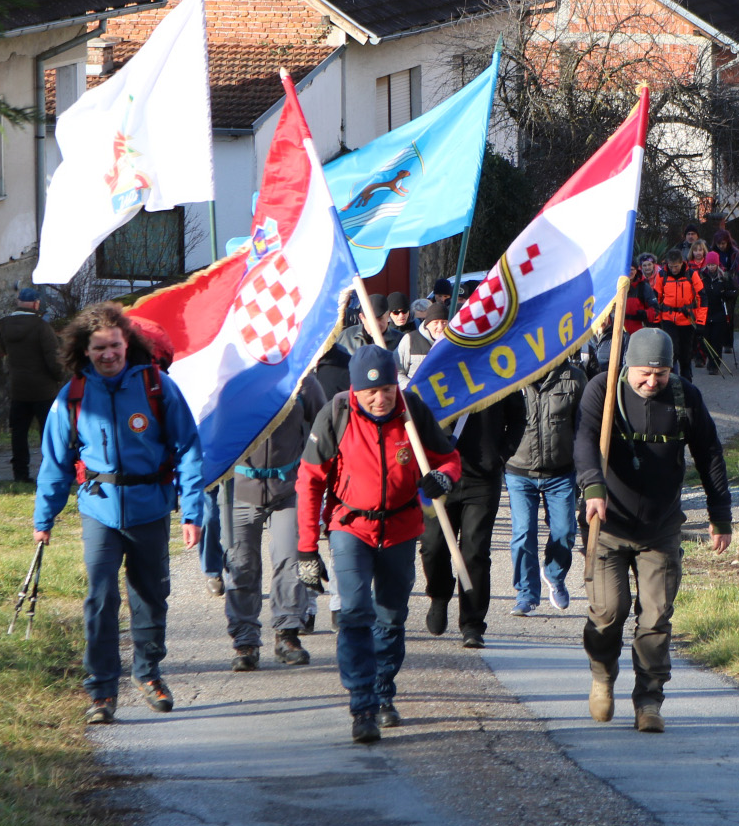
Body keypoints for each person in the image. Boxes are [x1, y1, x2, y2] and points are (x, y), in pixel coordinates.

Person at [33, 302, 206, 725]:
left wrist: (192, 512)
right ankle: (101, 692)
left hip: (150, 507)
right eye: (98, 348)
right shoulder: (72, 396)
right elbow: (55, 462)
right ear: (84, 351)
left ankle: (148, 674)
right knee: (100, 598)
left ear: (127, 344)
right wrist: (44, 519)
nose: (108, 354)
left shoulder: (157, 386)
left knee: (150, 596)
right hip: (98, 509)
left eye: (114, 345)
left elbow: (188, 449)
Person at [296, 345, 460, 743]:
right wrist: (306, 549)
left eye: (387, 388)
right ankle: (363, 704)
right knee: (354, 613)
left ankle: (384, 692)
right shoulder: (336, 414)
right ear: (355, 391)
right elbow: (309, 480)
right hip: (349, 527)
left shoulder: (412, 411)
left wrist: (444, 479)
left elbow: (450, 457)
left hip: (401, 529)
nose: (380, 398)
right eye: (370, 392)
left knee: (391, 618)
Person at [576, 329, 731, 733]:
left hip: (661, 528)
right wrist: (593, 486)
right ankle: (602, 674)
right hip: (607, 524)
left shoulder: (685, 397)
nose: (652, 382)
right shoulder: (602, 390)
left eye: (660, 374)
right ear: (628, 366)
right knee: (609, 613)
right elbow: (585, 440)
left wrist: (720, 513)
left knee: (656, 617)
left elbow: (709, 452)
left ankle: (648, 700)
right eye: (645, 373)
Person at [225, 374, 326, 671]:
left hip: (289, 487)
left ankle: (288, 634)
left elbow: (325, 421)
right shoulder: (233, 379)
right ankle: (245, 641)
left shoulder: (301, 376)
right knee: (241, 564)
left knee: (290, 559)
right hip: (240, 487)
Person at [420, 390, 525, 647]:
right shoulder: (442, 365)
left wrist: (500, 456)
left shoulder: (499, 370)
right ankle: (440, 594)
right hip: (439, 473)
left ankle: (472, 623)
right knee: (432, 546)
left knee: (474, 551)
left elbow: (518, 418)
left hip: (482, 478)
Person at [505, 360, 586, 616]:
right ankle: (526, 593)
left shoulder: (574, 378)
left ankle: (554, 575)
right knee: (522, 534)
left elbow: (584, 425)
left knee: (564, 531)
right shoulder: (510, 376)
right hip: (520, 471)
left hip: (560, 471)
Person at [0, 287, 62, 483]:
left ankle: (20, 474)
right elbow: (53, 358)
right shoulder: (41, 327)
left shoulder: (5, 326)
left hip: (19, 389)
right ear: (36, 304)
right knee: (48, 433)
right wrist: (58, 376)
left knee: (19, 433)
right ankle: (49, 473)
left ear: (18, 302)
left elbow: (3, 349)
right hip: (44, 390)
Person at [651, 250, 705, 382]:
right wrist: (656, 320)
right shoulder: (662, 275)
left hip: (687, 319)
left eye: (676, 266)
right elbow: (656, 298)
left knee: (686, 354)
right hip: (668, 319)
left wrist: (700, 321)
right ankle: (671, 380)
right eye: (671, 266)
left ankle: (687, 380)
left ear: (682, 263)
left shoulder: (691, 275)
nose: (674, 269)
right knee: (672, 351)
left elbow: (702, 297)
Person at [699, 251, 737, 373]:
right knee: (706, 340)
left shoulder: (724, 277)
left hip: (719, 312)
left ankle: (715, 364)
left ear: (717, 264)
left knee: (716, 340)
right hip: (705, 312)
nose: (711, 267)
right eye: (709, 265)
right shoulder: (701, 276)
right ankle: (710, 359)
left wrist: (726, 294)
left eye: (713, 265)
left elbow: (734, 291)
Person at [396, 302, 447, 386]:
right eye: (436, 322)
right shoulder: (410, 339)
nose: (440, 327)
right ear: (427, 324)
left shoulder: (453, 343)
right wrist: (410, 388)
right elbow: (397, 371)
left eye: (444, 322)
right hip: (414, 396)